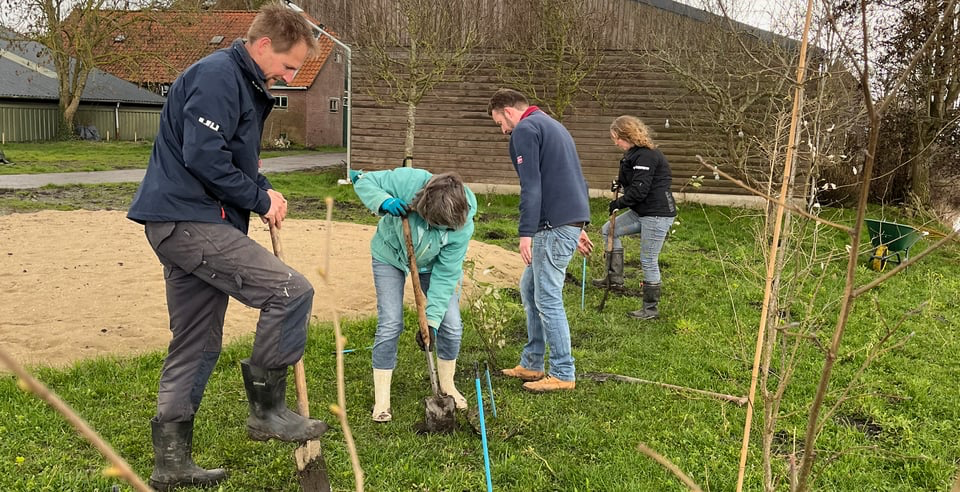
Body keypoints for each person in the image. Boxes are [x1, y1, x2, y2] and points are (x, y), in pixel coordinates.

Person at [126, 5, 326, 490]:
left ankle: (171, 465)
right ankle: (267, 412)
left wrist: (262, 190)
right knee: (290, 291)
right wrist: (256, 197)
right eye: (290, 65)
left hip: (186, 221)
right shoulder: (218, 76)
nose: (290, 76)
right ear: (262, 47)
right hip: (189, 219)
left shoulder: (243, 84)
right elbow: (202, 157)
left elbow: (233, 158)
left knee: (197, 343)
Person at [487, 88, 594, 393]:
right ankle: (533, 363)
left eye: (500, 124)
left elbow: (531, 186)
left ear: (508, 111)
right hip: (566, 221)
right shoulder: (552, 125)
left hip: (551, 227)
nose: (504, 131)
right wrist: (578, 223)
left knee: (547, 297)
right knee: (530, 286)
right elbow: (574, 177)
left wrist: (525, 233)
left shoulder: (525, 129)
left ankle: (563, 371)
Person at [350, 167, 477, 422]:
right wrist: (384, 201)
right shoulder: (409, 181)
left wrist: (431, 322)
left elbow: (445, 275)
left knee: (450, 324)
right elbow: (365, 182)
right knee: (390, 323)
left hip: (433, 266)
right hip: (391, 255)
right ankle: (382, 399)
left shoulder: (462, 226)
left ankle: (447, 385)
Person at [593, 115, 677, 320]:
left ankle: (650, 309)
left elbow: (640, 190)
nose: (615, 142)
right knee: (609, 230)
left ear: (627, 135)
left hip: (657, 214)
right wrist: (619, 185)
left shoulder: (647, 156)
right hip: (641, 212)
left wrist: (618, 203)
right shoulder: (633, 154)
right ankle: (614, 279)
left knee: (648, 259)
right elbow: (631, 181)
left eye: (616, 138)